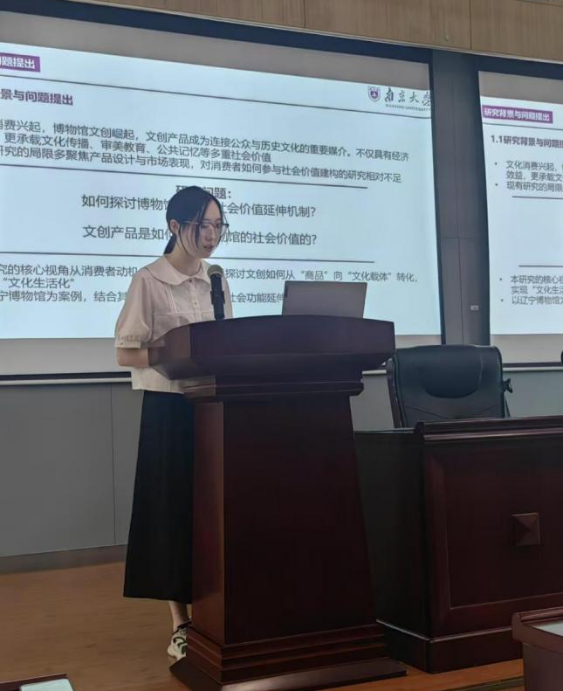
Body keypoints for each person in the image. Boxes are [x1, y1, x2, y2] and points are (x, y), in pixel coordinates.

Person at [115, 186, 232, 660]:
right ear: (175, 227)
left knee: (213, 510)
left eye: (218, 226)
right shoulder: (149, 280)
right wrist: (174, 353)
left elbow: (228, 343)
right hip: (168, 409)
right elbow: (126, 352)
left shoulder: (217, 280)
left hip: (213, 406)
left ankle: (217, 612)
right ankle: (180, 623)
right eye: (203, 226)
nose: (212, 235)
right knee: (172, 512)